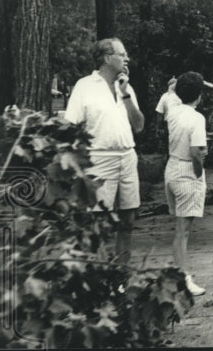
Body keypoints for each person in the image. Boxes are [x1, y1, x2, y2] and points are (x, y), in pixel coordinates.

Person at [64, 38, 145, 266]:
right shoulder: (84, 86)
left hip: (127, 157)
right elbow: (71, 126)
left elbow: (139, 126)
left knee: (128, 219)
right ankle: (98, 277)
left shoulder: (126, 87)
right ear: (108, 58)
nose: (127, 58)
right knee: (99, 222)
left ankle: (121, 276)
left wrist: (126, 93)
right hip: (98, 159)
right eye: (123, 54)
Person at [164, 71, 209, 296]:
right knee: (183, 231)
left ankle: (180, 273)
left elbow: (171, 95)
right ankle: (182, 278)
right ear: (199, 95)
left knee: (179, 229)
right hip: (187, 172)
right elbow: (196, 152)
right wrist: (199, 173)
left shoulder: (173, 111)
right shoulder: (197, 118)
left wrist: (172, 87)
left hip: (171, 169)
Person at [153, 76, 181, 153]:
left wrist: (158, 127)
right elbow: (159, 112)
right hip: (169, 124)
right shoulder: (165, 96)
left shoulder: (181, 96)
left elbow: (159, 112)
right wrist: (158, 127)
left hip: (179, 123)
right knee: (170, 145)